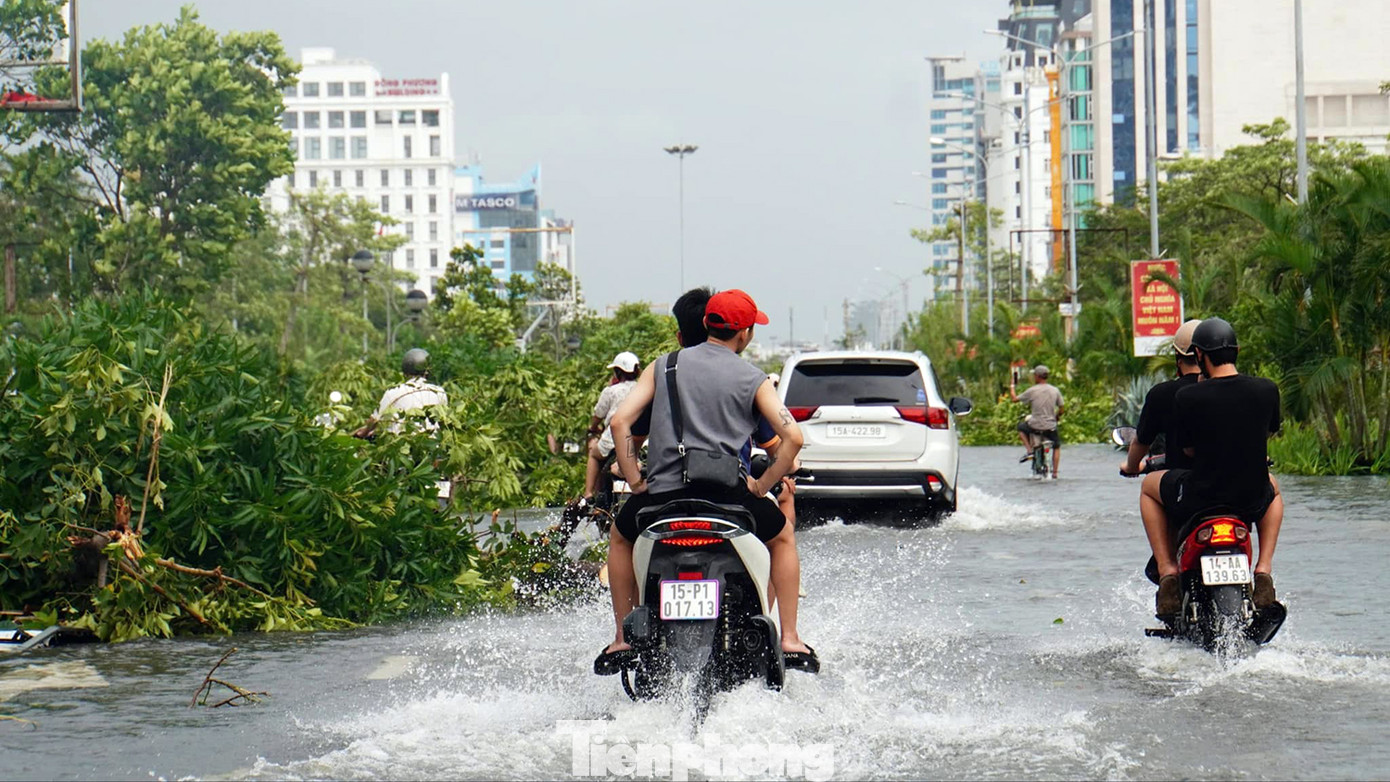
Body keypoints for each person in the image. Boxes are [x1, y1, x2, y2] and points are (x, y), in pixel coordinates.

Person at [597, 289, 815, 673]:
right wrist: (762, 486)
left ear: (706, 323)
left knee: (619, 536)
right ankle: (791, 638)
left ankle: (620, 638)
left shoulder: (663, 366)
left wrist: (634, 479)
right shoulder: (753, 378)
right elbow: (793, 438)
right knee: (782, 538)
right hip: (728, 497)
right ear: (744, 334)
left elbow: (619, 422)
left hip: (662, 497)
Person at [1136, 317, 1284, 616]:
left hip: (1200, 499)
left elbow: (1189, 449)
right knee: (1276, 491)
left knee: (1147, 488)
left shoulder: (1187, 396)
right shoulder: (1266, 389)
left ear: (1199, 355)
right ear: (1237, 350)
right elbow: (1266, 434)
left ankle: (1167, 574)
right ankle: (1264, 570)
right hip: (1249, 498)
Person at [354, 348, 452, 503]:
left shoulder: (394, 392)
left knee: (389, 484)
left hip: (402, 453)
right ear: (427, 370)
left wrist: (363, 432)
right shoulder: (439, 392)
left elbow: (376, 421)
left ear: (404, 371)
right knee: (439, 491)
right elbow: (443, 420)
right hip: (433, 451)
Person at [1121, 319, 1203, 475]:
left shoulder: (1163, 394)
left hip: (1183, 483)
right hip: (1234, 482)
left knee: (1147, 489)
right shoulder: (1239, 391)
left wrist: (1131, 467)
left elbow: (1142, 441)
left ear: (1178, 358)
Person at [580, 351, 641, 504]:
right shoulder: (642, 389)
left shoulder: (611, 391)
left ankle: (588, 494)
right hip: (640, 438)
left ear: (617, 372)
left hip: (613, 439)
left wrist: (593, 427)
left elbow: (598, 414)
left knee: (594, 454)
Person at [1010, 364, 1064, 478]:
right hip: (1050, 426)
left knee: (1020, 427)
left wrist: (1012, 387)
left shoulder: (1032, 390)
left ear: (1037, 376)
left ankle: (1030, 451)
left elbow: (1014, 399)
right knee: (1057, 446)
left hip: (1035, 425)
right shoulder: (1055, 390)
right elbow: (1062, 408)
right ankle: (1055, 473)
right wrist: (1057, 416)